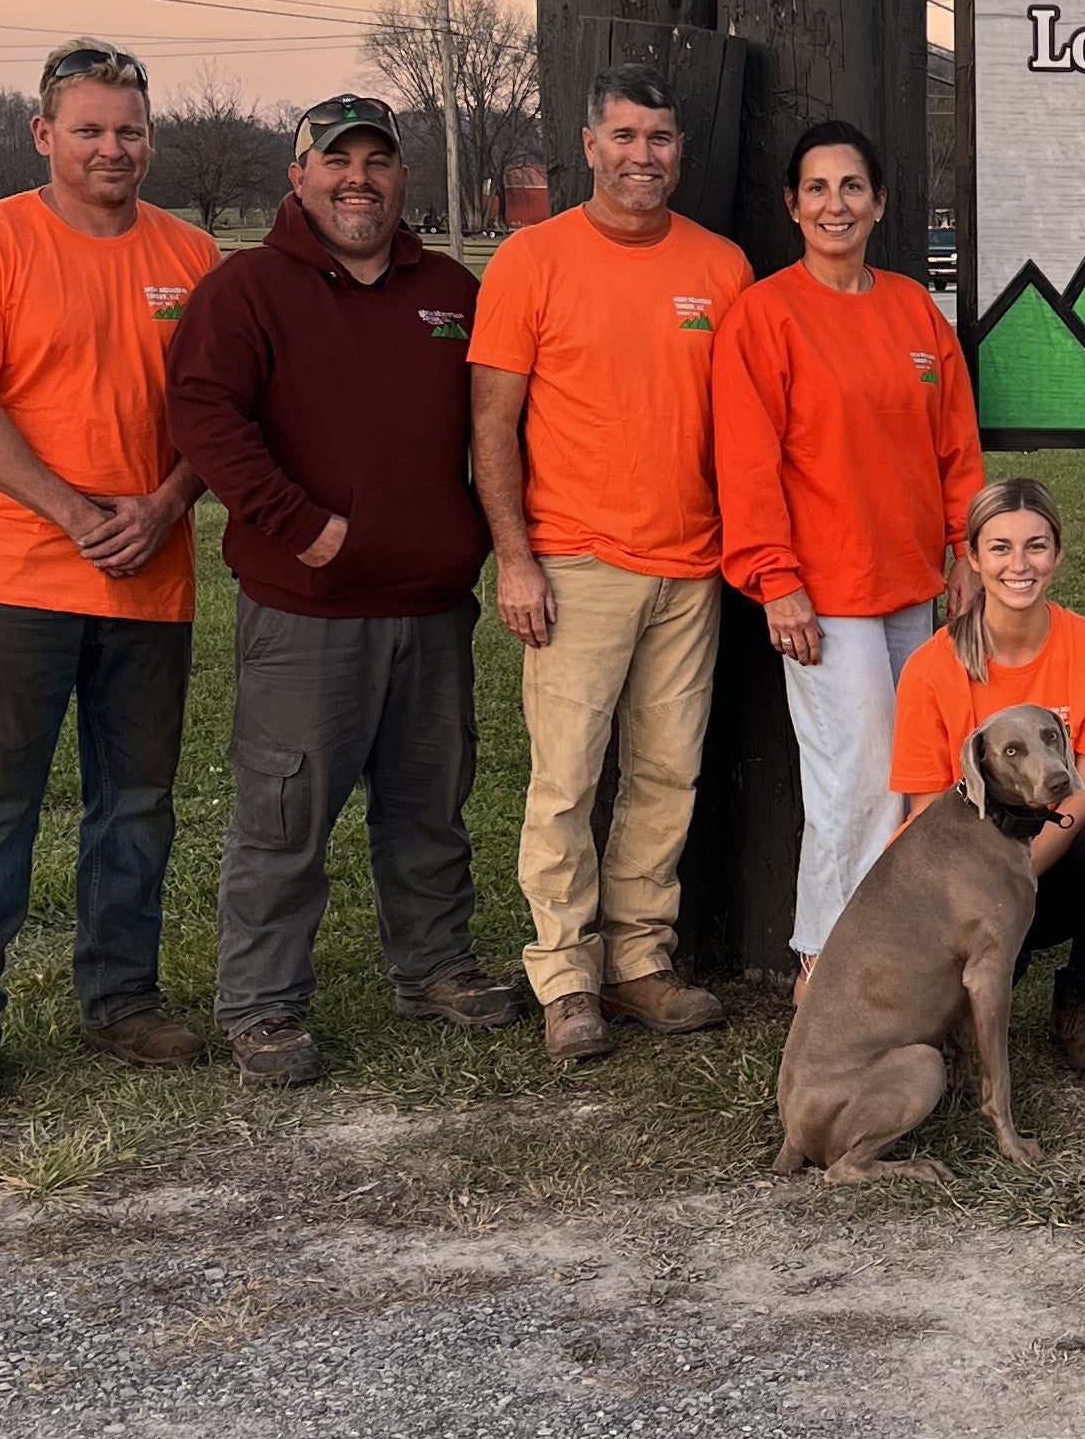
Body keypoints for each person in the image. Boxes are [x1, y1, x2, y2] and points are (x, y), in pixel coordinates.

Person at [167, 95, 522, 1087]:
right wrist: (303, 527)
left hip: (430, 606)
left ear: (403, 176)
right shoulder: (247, 291)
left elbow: (499, 424)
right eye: (336, 161)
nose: (357, 178)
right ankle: (264, 1003)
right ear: (299, 176)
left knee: (431, 806)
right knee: (286, 814)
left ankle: (436, 965)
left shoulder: (451, 289)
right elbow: (204, 417)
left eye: (376, 160)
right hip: (308, 611)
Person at [0, 39, 218, 1118]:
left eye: (128, 128)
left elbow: (218, 413)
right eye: (88, 128)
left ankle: (122, 998)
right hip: (16, 577)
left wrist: (167, 503)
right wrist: (77, 513)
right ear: (44, 135)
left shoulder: (192, 253)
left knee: (135, 806)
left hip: (149, 579)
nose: (112, 147)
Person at [469, 63, 751, 1063]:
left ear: (680, 151)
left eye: (661, 138)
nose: (643, 156)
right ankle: (564, 973)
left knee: (668, 774)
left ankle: (638, 961)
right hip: (576, 560)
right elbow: (492, 424)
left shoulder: (720, 268)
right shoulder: (532, 261)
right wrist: (517, 559)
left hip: (692, 563)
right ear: (587, 146)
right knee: (566, 778)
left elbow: (745, 425)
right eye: (624, 137)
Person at [715, 121, 982, 999]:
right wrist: (775, 580)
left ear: (880, 204)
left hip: (915, 584)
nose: (837, 205)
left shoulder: (913, 310)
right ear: (792, 205)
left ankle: (906, 952)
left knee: (922, 775)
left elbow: (955, 447)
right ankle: (826, 964)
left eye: (853, 188)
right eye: (819, 189)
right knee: (857, 779)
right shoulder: (767, 313)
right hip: (825, 595)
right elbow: (747, 461)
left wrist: (966, 551)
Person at [884, 479, 1085, 1070]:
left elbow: (1084, 792)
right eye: (999, 548)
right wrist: (983, 900)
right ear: (971, 557)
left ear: (1058, 553)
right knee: (937, 1054)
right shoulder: (931, 666)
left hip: (1047, 860)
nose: (1019, 565)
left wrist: (1016, 880)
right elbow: (924, 814)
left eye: (1035, 547)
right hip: (959, 887)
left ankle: (1082, 1003)